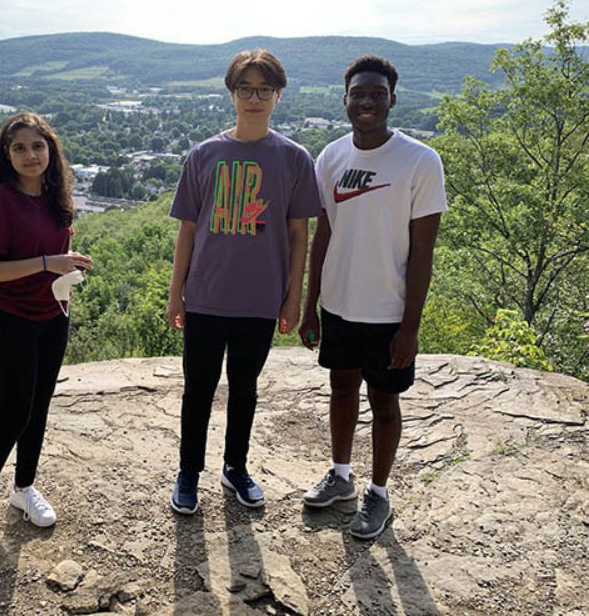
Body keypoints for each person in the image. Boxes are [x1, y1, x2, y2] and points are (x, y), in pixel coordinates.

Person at [167, 49, 322, 514]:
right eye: (245, 89)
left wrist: (294, 297)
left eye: (264, 90)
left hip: (260, 299)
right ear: (231, 94)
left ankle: (236, 467)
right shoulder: (205, 155)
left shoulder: (294, 159)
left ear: (278, 95)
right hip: (207, 297)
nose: (254, 98)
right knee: (197, 388)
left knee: (245, 388)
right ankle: (188, 473)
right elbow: (188, 231)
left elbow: (300, 235)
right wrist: (176, 294)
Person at [299, 55, 447, 539]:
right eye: (358, 93)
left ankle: (378, 493)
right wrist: (310, 305)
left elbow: (423, 252)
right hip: (339, 305)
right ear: (345, 100)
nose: (367, 101)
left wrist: (410, 326)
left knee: (385, 405)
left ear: (391, 99)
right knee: (341, 391)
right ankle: (341, 476)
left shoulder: (420, 162)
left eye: (376, 94)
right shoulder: (331, 157)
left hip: (388, 312)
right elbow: (323, 235)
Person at [0, 112, 93, 562]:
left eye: (38, 146)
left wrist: (66, 269)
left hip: (53, 315)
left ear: (50, 150)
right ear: (6, 154)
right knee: (10, 417)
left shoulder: (56, 195)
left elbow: (54, 255)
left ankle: (24, 489)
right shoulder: (0, 199)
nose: (30, 155)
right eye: (19, 148)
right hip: (11, 319)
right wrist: (46, 263)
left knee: (37, 409)